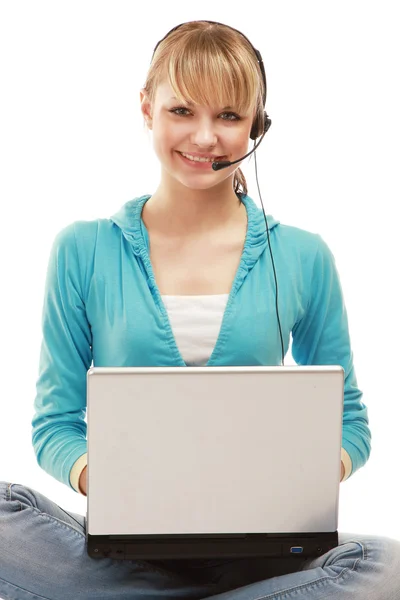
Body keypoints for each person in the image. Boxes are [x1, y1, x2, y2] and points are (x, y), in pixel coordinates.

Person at [0, 19, 399, 600]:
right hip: (125, 548)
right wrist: (108, 480)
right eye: (183, 111)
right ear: (147, 109)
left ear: (257, 127)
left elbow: (351, 421)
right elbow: (54, 426)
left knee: (384, 566)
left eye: (230, 116)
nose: (205, 137)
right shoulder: (83, 248)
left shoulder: (303, 255)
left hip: (260, 549)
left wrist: (300, 478)